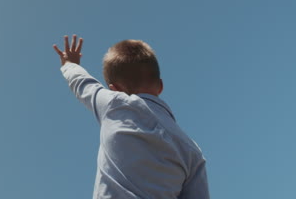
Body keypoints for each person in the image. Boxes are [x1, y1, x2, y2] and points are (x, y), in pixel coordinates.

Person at [53, 35, 210, 199]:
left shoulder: (114, 104)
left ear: (115, 89)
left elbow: (82, 83)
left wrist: (69, 64)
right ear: (160, 85)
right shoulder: (192, 151)